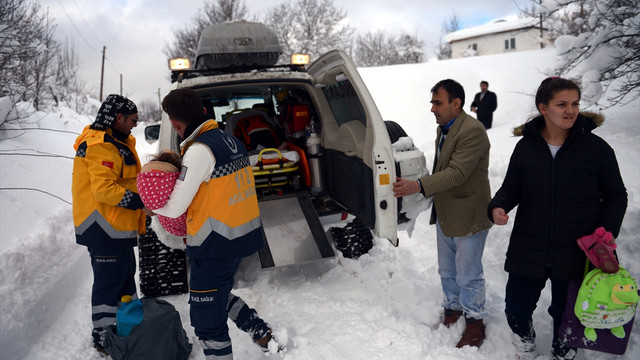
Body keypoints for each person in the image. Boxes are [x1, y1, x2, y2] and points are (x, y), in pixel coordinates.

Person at [487, 77, 628, 360]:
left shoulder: (596, 149)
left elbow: (616, 194)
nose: (571, 110)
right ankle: (525, 346)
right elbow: (511, 187)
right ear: (543, 108)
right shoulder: (526, 148)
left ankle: (563, 353)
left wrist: (608, 229)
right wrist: (497, 206)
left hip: (577, 248)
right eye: (561, 104)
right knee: (516, 308)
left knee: (568, 312)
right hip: (529, 244)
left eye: (575, 103)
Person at [152, 88, 274, 359]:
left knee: (207, 320)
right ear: (204, 112)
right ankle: (260, 331)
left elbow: (174, 208)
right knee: (216, 293)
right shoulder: (229, 141)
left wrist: (151, 202)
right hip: (236, 238)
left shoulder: (199, 152)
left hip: (214, 244)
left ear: (174, 123)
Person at [136, 150, 279, 353]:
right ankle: (260, 331)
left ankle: (259, 332)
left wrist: (155, 210)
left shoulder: (156, 200)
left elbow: (172, 230)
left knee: (207, 309)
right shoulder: (188, 188)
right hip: (220, 243)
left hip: (209, 250)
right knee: (217, 295)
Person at [393, 79, 492, 348]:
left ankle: (475, 321)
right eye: (432, 103)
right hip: (446, 210)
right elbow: (442, 167)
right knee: (447, 269)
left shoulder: (472, 131)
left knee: (468, 272)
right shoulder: (444, 128)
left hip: (469, 213)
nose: (433, 109)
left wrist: (419, 186)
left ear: (456, 104)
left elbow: (458, 173)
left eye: (438, 103)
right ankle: (453, 309)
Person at [71, 94, 152, 355]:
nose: (134, 125)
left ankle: (128, 327)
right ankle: (103, 336)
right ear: (118, 118)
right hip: (102, 227)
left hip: (116, 226)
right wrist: (140, 201)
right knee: (108, 284)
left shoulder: (117, 142)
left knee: (125, 277)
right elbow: (105, 189)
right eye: (132, 120)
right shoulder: (100, 144)